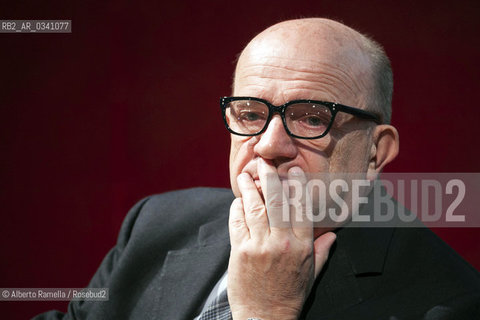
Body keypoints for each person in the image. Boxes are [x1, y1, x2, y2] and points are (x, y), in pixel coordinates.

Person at [35, 18, 479, 320]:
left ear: (376, 152)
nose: (269, 146)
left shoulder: (451, 304)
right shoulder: (154, 224)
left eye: (311, 117)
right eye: (250, 114)